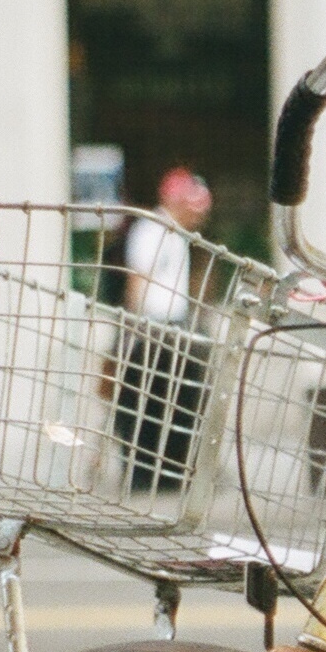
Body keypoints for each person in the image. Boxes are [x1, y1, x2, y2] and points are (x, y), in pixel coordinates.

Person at [117, 166, 214, 491]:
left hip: (175, 327)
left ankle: (172, 471)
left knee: (180, 399)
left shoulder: (177, 235)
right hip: (152, 329)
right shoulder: (151, 232)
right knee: (148, 401)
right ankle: (145, 473)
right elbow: (138, 281)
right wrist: (132, 327)